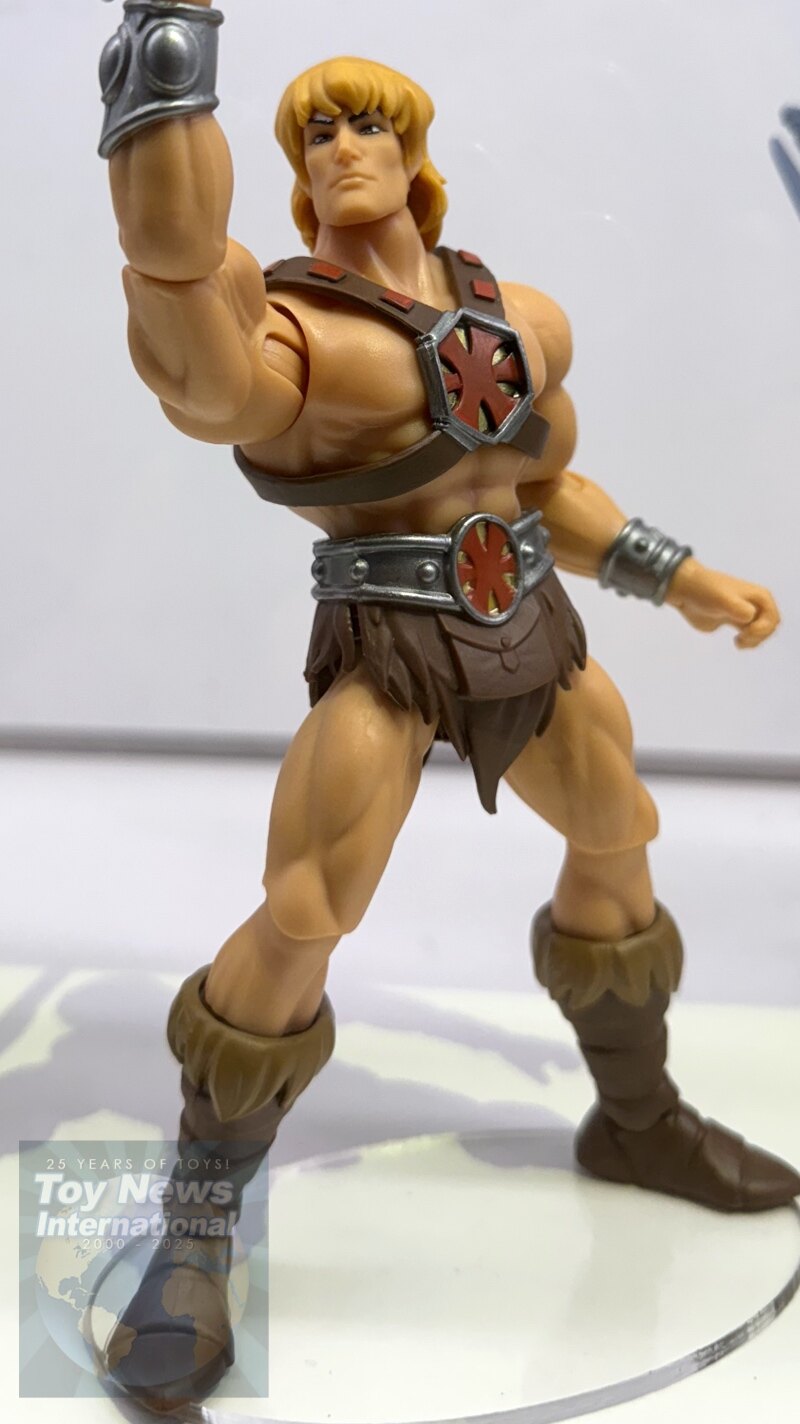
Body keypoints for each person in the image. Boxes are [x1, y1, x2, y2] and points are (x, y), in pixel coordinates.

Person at [97, 3, 799, 1409]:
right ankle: (197, 1227)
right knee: (308, 908)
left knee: (618, 836)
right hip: (392, 646)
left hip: (531, 624)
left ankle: (638, 1117)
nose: (341, 146)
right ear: (296, 171)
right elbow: (195, 337)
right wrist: (165, 73)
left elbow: (544, 487)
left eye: (368, 123)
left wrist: (680, 576)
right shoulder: (300, 332)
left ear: (416, 154)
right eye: (316, 132)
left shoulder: (520, 317)